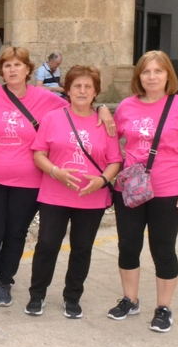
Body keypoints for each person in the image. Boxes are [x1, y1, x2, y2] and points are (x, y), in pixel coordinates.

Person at [108, 51, 178, 332]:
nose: (152, 77)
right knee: (128, 244)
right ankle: (129, 299)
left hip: (169, 188)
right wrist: (102, 110)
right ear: (139, 77)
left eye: (158, 71)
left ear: (168, 76)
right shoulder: (126, 105)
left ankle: (164, 307)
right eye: (146, 72)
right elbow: (113, 137)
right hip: (130, 188)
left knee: (162, 248)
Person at [0, 46, 67, 306]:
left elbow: (77, 108)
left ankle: (5, 282)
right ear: (1, 70)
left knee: (15, 232)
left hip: (29, 182)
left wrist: (101, 108)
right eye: (7, 65)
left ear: (28, 69)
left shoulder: (46, 99)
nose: (12, 70)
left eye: (17, 65)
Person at [26, 65, 122, 318]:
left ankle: (72, 296)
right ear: (67, 90)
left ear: (96, 92)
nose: (82, 90)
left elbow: (115, 160)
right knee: (47, 245)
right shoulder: (53, 118)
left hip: (90, 197)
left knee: (82, 248)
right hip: (54, 194)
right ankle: (37, 294)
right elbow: (38, 153)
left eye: (88, 87)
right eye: (76, 86)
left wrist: (102, 180)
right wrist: (55, 171)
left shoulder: (105, 122)